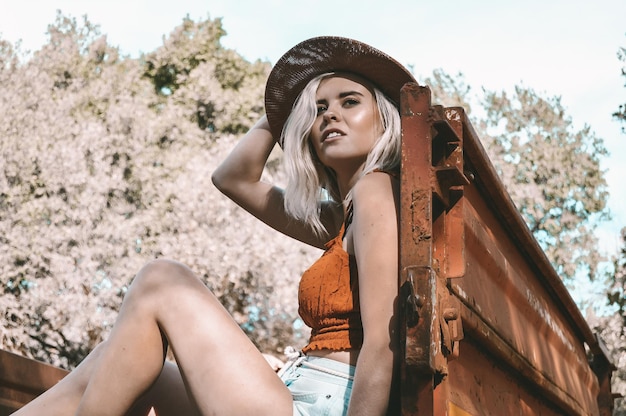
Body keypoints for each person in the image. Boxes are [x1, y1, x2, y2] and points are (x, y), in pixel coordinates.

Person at [13, 36, 416, 416]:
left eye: (350, 102)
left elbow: (383, 340)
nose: (331, 115)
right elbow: (233, 178)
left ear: (384, 118)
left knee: (161, 279)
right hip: (297, 390)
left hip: (322, 404)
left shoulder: (375, 190)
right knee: (115, 356)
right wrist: (286, 108)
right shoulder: (336, 220)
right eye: (318, 108)